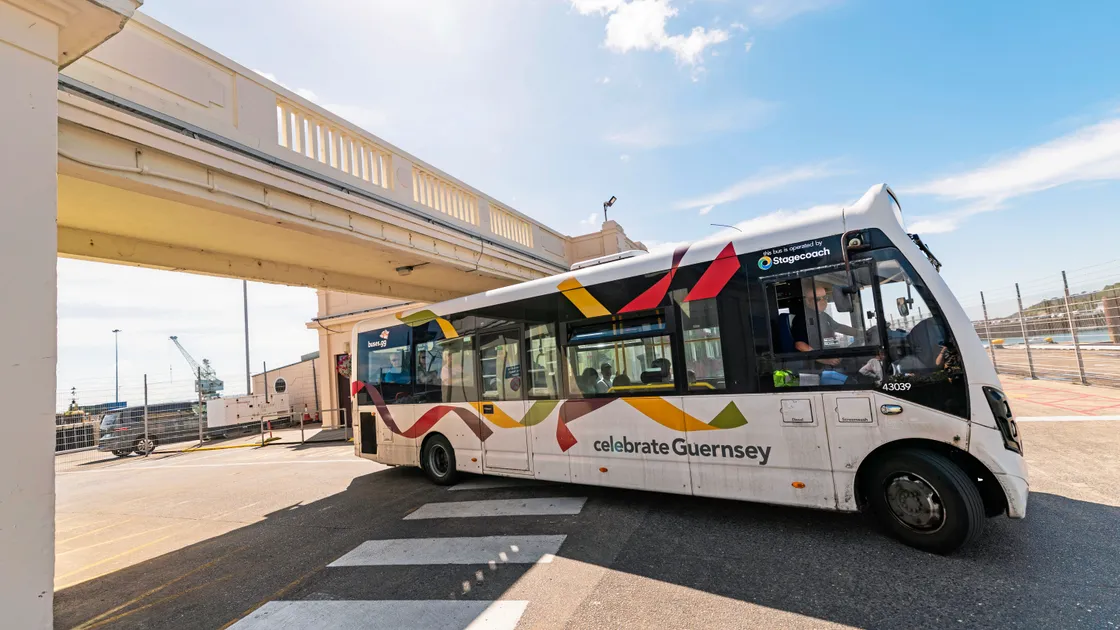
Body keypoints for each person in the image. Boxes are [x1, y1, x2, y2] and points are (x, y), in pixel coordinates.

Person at [794, 283, 858, 367]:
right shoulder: (802, 318)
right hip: (814, 365)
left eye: (825, 298)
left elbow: (839, 327)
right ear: (808, 301)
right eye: (818, 299)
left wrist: (861, 333)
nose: (823, 301)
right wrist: (824, 359)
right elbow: (800, 345)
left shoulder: (822, 315)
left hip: (828, 357)